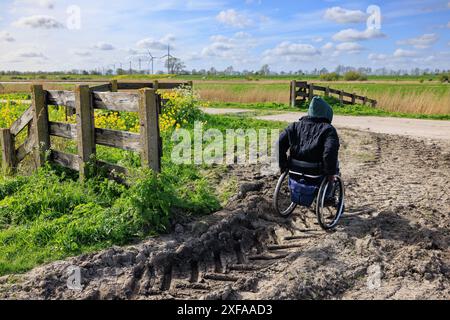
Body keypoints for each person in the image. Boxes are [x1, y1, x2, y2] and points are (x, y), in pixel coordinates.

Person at [278, 96, 340, 183]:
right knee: (335, 164)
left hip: (294, 170)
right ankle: (329, 192)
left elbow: (279, 144)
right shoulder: (328, 129)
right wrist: (330, 174)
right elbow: (329, 152)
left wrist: (283, 165)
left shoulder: (294, 126)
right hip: (316, 172)